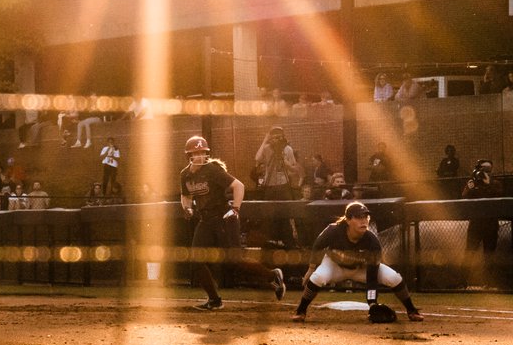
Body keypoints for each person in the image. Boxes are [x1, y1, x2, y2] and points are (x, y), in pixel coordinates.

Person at [179, 136, 285, 311]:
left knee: (235, 260)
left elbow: (239, 186)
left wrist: (235, 208)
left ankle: (272, 276)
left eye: (202, 153)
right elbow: (185, 196)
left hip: (223, 218)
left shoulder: (212, 170)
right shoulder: (185, 174)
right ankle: (214, 301)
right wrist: (188, 208)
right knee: (195, 261)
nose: (199, 156)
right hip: (205, 220)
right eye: (195, 153)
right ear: (188, 156)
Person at [291, 202, 423, 323]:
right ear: (348, 220)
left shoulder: (372, 241)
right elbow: (317, 246)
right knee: (317, 277)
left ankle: (412, 310)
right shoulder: (333, 230)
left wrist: (372, 303)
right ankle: (301, 311)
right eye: (358, 217)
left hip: (361, 269)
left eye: (366, 217)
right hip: (334, 265)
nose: (363, 221)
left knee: (394, 277)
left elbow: (372, 277)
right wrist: (311, 268)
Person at [461, 160, 500, 286]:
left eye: (487, 169)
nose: (485, 172)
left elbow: (498, 196)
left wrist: (488, 184)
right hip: (476, 224)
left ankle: (489, 283)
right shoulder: (473, 183)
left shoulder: (496, 183)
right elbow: (465, 196)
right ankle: (463, 281)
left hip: (491, 224)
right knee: (469, 253)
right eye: (483, 169)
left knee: (489, 254)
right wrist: (471, 187)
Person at [254, 126, 299, 201]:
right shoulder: (266, 149)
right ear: (271, 139)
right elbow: (257, 158)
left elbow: (295, 170)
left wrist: (286, 164)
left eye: (279, 137)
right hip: (270, 185)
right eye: (275, 137)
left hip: (283, 185)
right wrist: (265, 140)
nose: (277, 140)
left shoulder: (288, 149)